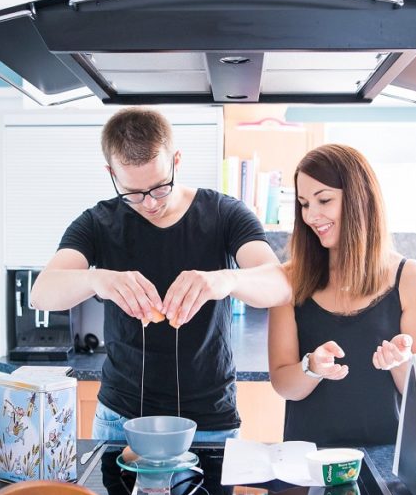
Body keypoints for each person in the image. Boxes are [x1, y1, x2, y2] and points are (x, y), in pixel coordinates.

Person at [31, 107, 290, 442]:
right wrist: (99, 279)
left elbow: (281, 285)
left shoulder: (224, 214)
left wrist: (226, 280)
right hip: (120, 421)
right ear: (111, 173)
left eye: (159, 187)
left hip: (210, 422)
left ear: (176, 161)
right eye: (134, 193)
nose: (150, 203)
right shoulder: (98, 222)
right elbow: (42, 293)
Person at [268, 144, 416, 446]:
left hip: (385, 460)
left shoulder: (411, 278)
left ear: (360, 199)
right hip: (308, 459)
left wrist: (400, 362)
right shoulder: (289, 279)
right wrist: (312, 367)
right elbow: (283, 383)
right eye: (304, 204)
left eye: (324, 200)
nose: (311, 216)